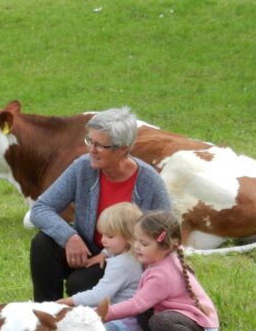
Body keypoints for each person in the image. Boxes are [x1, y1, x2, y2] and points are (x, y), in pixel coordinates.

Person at [29, 106, 171, 302]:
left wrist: (111, 254)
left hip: (124, 259)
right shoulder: (82, 167)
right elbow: (40, 208)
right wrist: (70, 237)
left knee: (79, 284)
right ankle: (46, 314)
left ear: (123, 149)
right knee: (43, 244)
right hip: (86, 248)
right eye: (90, 141)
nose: (91, 150)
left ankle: (81, 318)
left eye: (100, 146)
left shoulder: (149, 182)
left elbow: (166, 234)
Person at [105, 209, 222, 331]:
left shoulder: (162, 274)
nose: (137, 247)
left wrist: (103, 312)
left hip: (201, 329)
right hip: (184, 319)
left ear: (166, 246)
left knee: (159, 321)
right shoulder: (162, 258)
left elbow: (136, 304)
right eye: (136, 240)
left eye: (144, 244)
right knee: (148, 313)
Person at [58, 202, 144, 331]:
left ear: (129, 237)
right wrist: (104, 253)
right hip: (128, 319)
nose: (103, 240)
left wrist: (69, 301)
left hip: (124, 324)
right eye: (102, 234)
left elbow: (100, 295)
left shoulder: (122, 264)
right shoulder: (129, 255)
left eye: (109, 236)